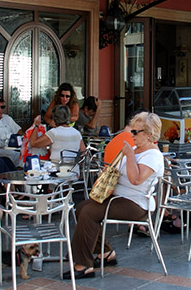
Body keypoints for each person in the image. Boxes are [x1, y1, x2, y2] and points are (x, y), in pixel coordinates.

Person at [65, 112, 164, 279]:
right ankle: (105, 252)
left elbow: (136, 179)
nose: (131, 135)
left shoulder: (153, 155)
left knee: (89, 212)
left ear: (149, 134)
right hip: (119, 198)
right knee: (82, 208)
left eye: (135, 132)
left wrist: (130, 155)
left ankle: (83, 264)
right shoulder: (135, 148)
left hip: (136, 204)